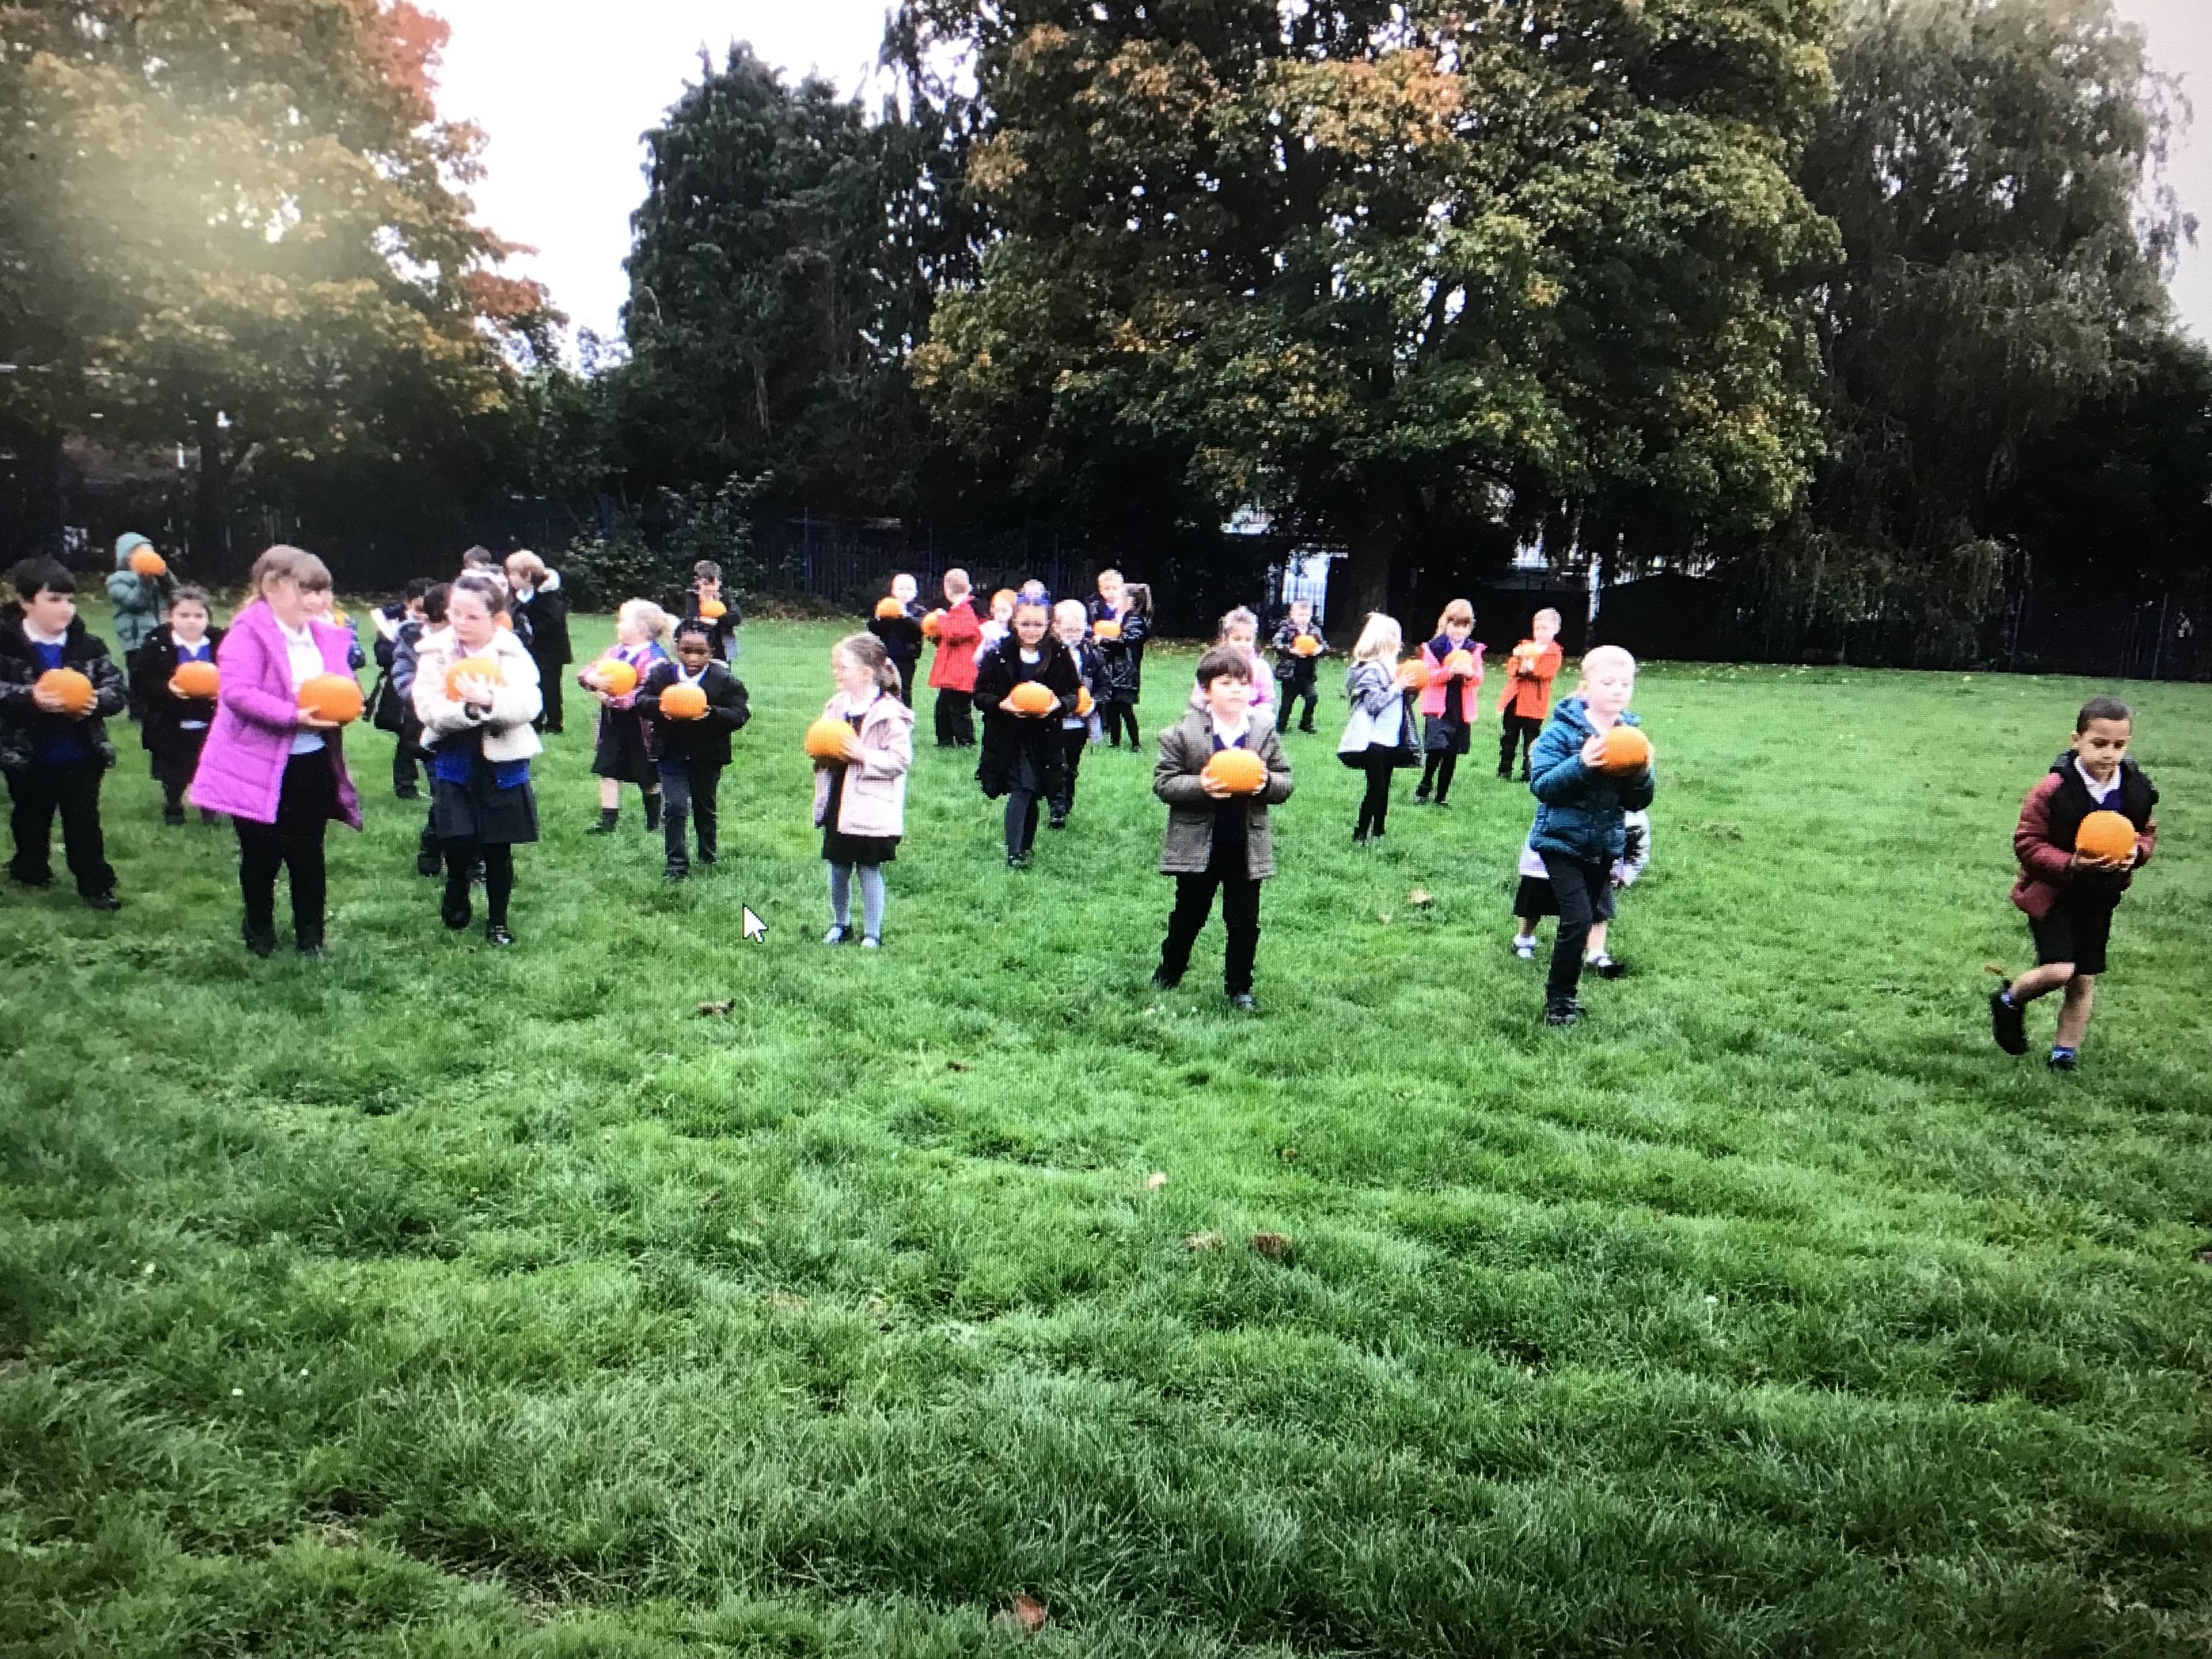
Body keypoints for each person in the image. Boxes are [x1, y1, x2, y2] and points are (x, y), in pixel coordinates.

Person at [189, 546, 363, 956]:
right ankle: (260, 930)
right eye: (308, 591)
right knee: (261, 853)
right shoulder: (247, 634)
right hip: (255, 763)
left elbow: (342, 685)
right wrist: (291, 715)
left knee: (308, 852)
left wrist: (346, 704)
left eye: (323, 591)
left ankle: (311, 937)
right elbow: (237, 692)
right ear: (272, 586)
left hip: (310, 759)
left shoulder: (325, 636)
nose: (319, 601)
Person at [1989, 696, 2159, 1071]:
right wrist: (2071, 863)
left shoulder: (2135, 789)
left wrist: (2137, 854)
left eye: (2119, 745)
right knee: (2059, 970)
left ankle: (2064, 1055)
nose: (2109, 753)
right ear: (2076, 740)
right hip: (2052, 894)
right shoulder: (2053, 789)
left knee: (2083, 979)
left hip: (2100, 896)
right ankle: (2009, 1001)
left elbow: (2145, 833)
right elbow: (2027, 843)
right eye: (2099, 743)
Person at [1151, 645, 1294, 1012]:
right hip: (1199, 846)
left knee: (1244, 921)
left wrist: (1266, 784)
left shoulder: (1263, 732)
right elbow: (1164, 783)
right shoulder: (1182, 733)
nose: (1235, 690)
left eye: (1242, 683)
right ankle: (1170, 971)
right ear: (1206, 689)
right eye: (1226, 683)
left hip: (1245, 846)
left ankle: (1239, 987)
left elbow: (1285, 780)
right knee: (1189, 914)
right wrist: (1200, 786)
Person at [1526, 644, 1654, 1027]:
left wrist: (1642, 772)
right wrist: (1581, 765)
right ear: (1586, 686)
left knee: (1588, 915)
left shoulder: (1630, 736)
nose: (1618, 690)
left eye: (1625, 684)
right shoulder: (1562, 732)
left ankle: (1567, 996)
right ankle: (1559, 1002)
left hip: (1603, 845)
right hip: (1560, 841)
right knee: (1578, 919)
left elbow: (1637, 801)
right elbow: (1543, 786)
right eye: (1608, 683)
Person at [412, 572, 542, 946]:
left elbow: (529, 704)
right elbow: (427, 707)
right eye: (456, 613)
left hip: (503, 759)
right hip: (456, 754)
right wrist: (467, 711)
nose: (462, 623)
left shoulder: (511, 653)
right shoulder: (435, 652)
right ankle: (457, 884)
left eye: (472, 617)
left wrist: (489, 702)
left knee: (497, 847)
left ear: (494, 619)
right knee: (458, 838)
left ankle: (498, 921)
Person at [1, 557, 125, 909]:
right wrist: (29, 698)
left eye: (70, 600)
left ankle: (95, 884)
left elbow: (117, 687)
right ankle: (30, 867)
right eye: (54, 600)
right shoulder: (7, 645)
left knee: (83, 820)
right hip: (26, 754)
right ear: (26, 602)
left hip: (81, 753)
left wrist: (97, 701)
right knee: (30, 815)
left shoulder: (88, 645)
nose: (65, 609)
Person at [812, 634, 914, 948]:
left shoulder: (890, 714)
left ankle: (872, 932)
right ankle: (840, 924)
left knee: (868, 868)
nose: (836, 672)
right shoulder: (836, 706)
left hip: (871, 805)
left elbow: (900, 761)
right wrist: (822, 755)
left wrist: (864, 756)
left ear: (867, 673)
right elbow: (823, 742)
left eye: (842, 667)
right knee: (838, 867)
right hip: (838, 800)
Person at [639, 618, 750, 882]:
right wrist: (662, 707)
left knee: (704, 806)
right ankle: (676, 863)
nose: (693, 658)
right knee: (675, 807)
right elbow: (641, 701)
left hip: (707, 756)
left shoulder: (723, 681)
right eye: (686, 651)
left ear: (711, 652)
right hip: (671, 753)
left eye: (701, 652)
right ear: (676, 648)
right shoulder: (662, 676)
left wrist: (711, 714)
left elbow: (740, 714)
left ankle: (707, 855)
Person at [973, 597, 1080, 867]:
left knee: (1034, 790)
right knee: (1022, 787)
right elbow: (980, 694)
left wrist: (1058, 705)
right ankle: (1014, 852)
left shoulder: (1059, 656)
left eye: (1038, 624)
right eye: (1026, 624)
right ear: (1014, 623)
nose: (1032, 630)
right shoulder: (999, 654)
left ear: (1048, 625)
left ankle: (1025, 846)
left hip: (1044, 736)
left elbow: (1074, 693)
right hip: (1008, 735)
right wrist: (1001, 705)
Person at [131, 583, 225, 826]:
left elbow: (236, 673)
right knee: (174, 769)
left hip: (210, 718)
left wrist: (223, 692)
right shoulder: (157, 646)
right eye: (184, 615)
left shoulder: (219, 644)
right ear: (170, 617)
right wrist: (166, 689)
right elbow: (142, 680)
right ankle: (174, 805)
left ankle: (209, 810)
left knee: (210, 764)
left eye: (198, 616)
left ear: (208, 618)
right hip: (170, 720)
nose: (191, 621)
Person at [1513, 808, 1650, 971]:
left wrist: (1625, 874)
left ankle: (1596, 953)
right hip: (1550, 854)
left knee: (1598, 908)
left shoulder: (1631, 813)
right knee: (1536, 901)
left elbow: (1639, 843)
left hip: (1599, 863)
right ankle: (1524, 939)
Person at [581, 600, 672, 834]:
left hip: (640, 726)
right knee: (608, 768)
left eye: (622, 621)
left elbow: (644, 692)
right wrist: (592, 680)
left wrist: (612, 700)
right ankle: (607, 820)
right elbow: (589, 671)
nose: (617, 626)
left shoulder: (655, 659)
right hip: (612, 723)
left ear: (640, 627)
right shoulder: (615, 652)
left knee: (647, 775)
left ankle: (655, 821)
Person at [1337, 612, 1411, 846]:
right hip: (1372, 738)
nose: (1400, 643)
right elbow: (1373, 704)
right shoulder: (1371, 669)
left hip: (1389, 735)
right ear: (1386, 640)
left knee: (1385, 786)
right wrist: (1398, 687)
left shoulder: (1392, 667)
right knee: (1376, 787)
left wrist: (1410, 689)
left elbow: (1399, 703)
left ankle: (1378, 831)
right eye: (1396, 637)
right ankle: (1360, 833)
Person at [392, 583, 448, 873]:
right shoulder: (412, 639)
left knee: (466, 796)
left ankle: (473, 863)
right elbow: (403, 682)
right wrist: (432, 693)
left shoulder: (472, 643)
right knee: (445, 795)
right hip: (426, 730)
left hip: (467, 730)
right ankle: (432, 847)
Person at [1412, 599, 1483, 806]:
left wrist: (1469, 674)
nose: (1459, 631)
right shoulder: (1434, 648)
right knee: (1437, 748)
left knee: (1452, 752)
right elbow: (1428, 675)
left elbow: (1478, 678)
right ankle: (1425, 786)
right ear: (1446, 623)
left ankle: (1441, 796)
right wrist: (1448, 672)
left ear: (1470, 628)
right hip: (1439, 708)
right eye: (1455, 625)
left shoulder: (1473, 650)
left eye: (1464, 626)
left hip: (1461, 708)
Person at [371, 579, 432, 800]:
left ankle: (428, 780)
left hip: (429, 689)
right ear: (408, 605)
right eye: (419, 609)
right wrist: (398, 642)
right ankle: (405, 785)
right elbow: (382, 657)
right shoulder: (393, 626)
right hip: (401, 690)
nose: (424, 616)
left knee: (423, 735)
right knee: (407, 736)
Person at [1048, 599, 1102, 830]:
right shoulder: (1049, 655)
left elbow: (1104, 686)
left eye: (1078, 630)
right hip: (1053, 720)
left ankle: (1065, 802)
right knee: (1055, 765)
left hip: (1079, 724)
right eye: (1068, 630)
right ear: (1055, 628)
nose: (1074, 635)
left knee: (1070, 766)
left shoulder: (1091, 655)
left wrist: (1093, 703)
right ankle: (1056, 806)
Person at [106, 531, 173, 718]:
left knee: (159, 668)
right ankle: (137, 709)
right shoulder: (117, 580)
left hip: (158, 630)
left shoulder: (155, 577)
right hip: (135, 637)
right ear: (127, 556)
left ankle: (157, 704)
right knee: (138, 672)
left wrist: (164, 574)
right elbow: (136, 602)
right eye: (139, 551)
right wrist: (145, 581)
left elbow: (174, 593)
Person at [505, 550, 572, 734]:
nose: (510, 578)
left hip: (551, 651)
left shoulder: (548, 595)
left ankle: (554, 723)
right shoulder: (523, 596)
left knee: (550, 687)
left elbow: (554, 621)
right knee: (534, 683)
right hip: (534, 649)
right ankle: (535, 720)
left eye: (513, 573)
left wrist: (531, 630)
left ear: (527, 575)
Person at [1496, 608, 1563, 781]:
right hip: (1515, 698)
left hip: (1535, 703)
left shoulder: (1554, 652)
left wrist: (1531, 670)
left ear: (1556, 629)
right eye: (1538, 628)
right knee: (1509, 736)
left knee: (1531, 738)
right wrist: (1520, 667)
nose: (1540, 632)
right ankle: (1504, 769)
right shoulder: (1524, 647)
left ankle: (1529, 771)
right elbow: (1511, 667)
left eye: (1545, 628)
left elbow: (1547, 673)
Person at [926, 568, 986, 748]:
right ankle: (945, 741)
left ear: (947, 590)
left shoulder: (965, 610)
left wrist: (942, 619)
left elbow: (955, 634)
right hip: (953, 672)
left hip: (960, 673)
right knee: (943, 708)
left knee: (959, 710)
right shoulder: (960, 610)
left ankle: (965, 741)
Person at [1092, 579, 1151, 749]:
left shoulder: (1136, 620)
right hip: (1114, 670)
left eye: (1119, 597)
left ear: (1129, 601)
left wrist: (1103, 640)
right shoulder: (1122, 618)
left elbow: (1124, 641)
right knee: (1111, 707)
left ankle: (1135, 743)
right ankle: (1115, 741)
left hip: (1126, 672)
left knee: (1124, 708)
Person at [1206, 607, 1276, 729]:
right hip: (1217, 717)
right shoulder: (1213, 664)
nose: (1243, 644)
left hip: (1250, 719)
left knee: (1268, 720)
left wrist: (1253, 714)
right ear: (1226, 639)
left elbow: (1267, 699)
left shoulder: (1261, 668)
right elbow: (1200, 697)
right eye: (1237, 639)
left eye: (1248, 640)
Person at [1271, 598, 1328, 735]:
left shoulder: (1314, 631)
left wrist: (1319, 649)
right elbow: (1276, 643)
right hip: (1290, 675)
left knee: (1312, 698)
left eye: (1306, 615)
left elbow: (1324, 645)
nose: (1303, 618)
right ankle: (1281, 726)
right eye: (1300, 615)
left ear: (1311, 615)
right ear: (1292, 615)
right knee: (1287, 703)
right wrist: (1291, 650)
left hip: (1307, 675)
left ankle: (1305, 723)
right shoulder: (1286, 629)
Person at [868, 573, 926, 705]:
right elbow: (872, 629)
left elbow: (920, 628)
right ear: (893, 591)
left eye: (909, 589)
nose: (905, 592)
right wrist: (879, 619)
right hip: (885, 656)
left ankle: (905, 714)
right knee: (882, 687)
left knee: (904, 689)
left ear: (915, 592)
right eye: (901, 588)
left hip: (907, 658)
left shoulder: (918, 611)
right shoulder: (885, 607)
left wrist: (904, 616)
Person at [684, 560, 742, 663]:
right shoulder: (693, 597)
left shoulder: (724, 596)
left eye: (713, 583)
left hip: (723, 645)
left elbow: (736, 617)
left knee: (722, 669)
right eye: (706, 584)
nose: (709, 588)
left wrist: (716, 621)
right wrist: (704, 621)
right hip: (700, 644)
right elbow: (692, 620)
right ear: (697, 581)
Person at [978, 588, 1018, 653]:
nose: (1000, 615)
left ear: (1013, 611)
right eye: (997, 611)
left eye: (1004, 611)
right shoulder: (986, 629)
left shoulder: (1014, 631)